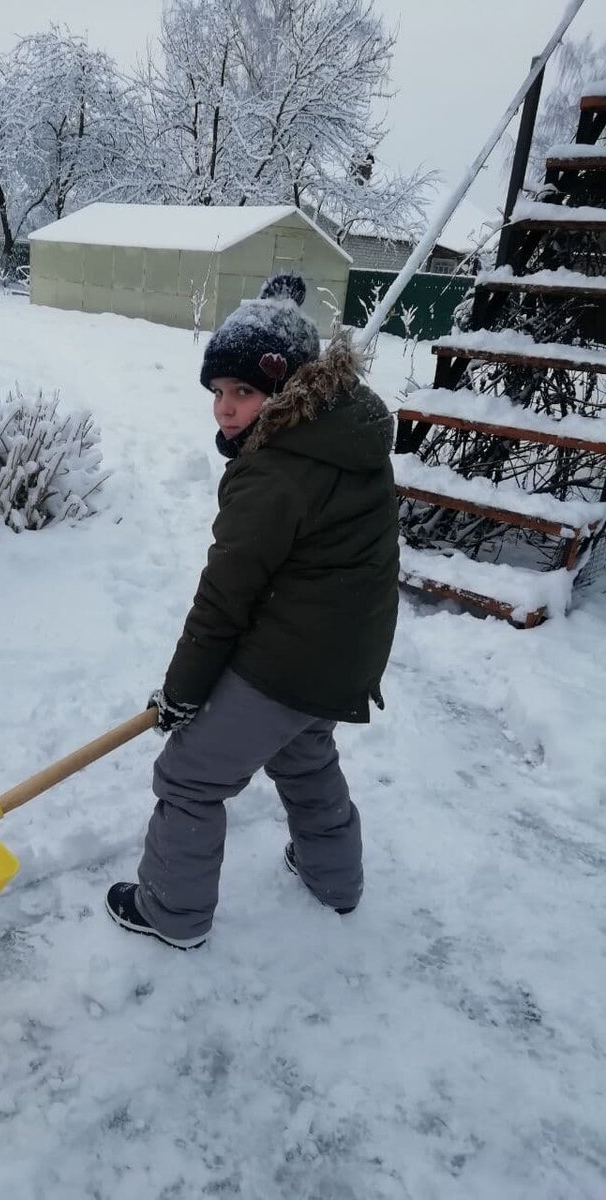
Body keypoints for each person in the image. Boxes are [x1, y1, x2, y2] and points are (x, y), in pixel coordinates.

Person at [105, 273, 399, 950]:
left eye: (242, 391)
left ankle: (171, 913)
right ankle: (334, 878)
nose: (225, 410)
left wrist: (182, 694)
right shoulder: (343, 434)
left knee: (189, 776)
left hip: (290, 658)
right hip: (346, 654)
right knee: (303, 754)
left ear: (288, 386)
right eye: (217, 391)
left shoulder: (274, 472)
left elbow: (223, 601)